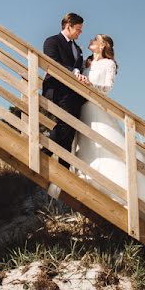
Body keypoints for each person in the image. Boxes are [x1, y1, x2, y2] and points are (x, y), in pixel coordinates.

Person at [71, 34, 145, 225]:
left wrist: (90, 84)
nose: (91, 40)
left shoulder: (109, 64)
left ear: (103, 45)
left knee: (109, 147)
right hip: (83, 107)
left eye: (95, 39)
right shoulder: (86, 63)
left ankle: (130, 195)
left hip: (97, 106)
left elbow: (107, 88)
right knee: (87, 146)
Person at [42, 12, 89, 171]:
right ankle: (44, 153)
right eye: (78, 29)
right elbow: (53, 63)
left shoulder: (78, 49)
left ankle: (64, 168)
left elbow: (79, 66)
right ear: (68, 26)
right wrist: (75, 73)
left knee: (71, 130)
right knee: (64, 124)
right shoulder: (52, 41)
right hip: (57, 89)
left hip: (73, 94)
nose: (80, 32)